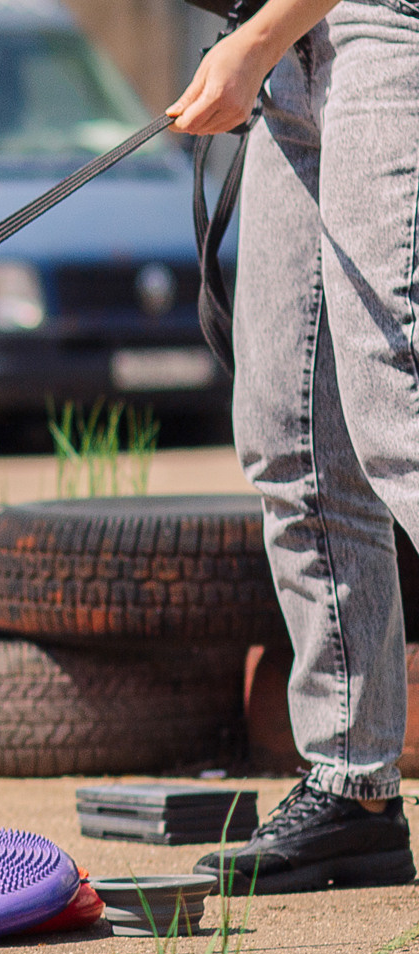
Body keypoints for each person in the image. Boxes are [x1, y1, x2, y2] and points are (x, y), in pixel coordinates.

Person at [169, 0, 419, 892]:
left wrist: (255, 41)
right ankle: (355, 794)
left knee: (401, 398)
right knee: (289, 436)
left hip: (387, 27)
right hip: (289, 53)